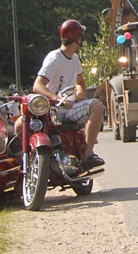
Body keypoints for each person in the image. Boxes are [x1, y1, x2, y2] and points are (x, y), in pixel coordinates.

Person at [29, 19, 106, 166]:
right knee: (21, 124)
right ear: (77, 39)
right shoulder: (54, 58)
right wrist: (58, 98)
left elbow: (81, 82)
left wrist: (80, 93)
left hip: (69, 108)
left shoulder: (75, 59)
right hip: (52, 110)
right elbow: (37, 86)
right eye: (81, 36)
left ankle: (88, 153)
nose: (82, 39)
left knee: (96, 105)